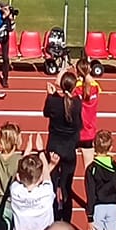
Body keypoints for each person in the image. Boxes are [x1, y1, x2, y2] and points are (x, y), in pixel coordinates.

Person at [44, 73, 85, 222]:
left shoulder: (54, 102)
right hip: (69, 150)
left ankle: (54, 216)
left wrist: (50, 95)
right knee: (67, 186)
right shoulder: (77, 103)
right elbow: (79, 125)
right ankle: (66, 219)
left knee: (52, 186)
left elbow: (46, 113)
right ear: (74, 87)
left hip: (54, 148)